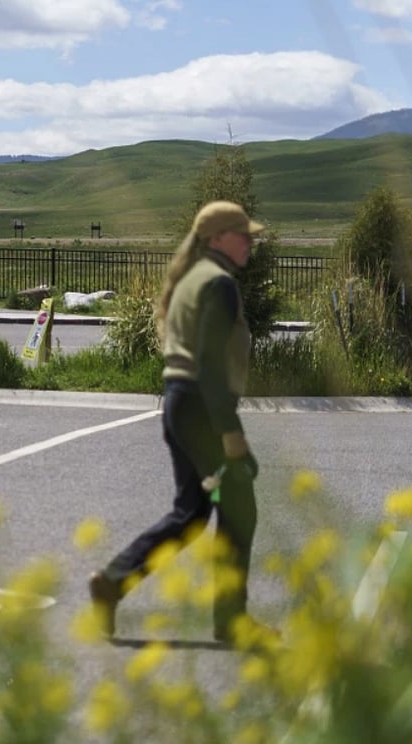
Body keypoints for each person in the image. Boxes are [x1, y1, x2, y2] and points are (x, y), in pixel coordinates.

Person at [88, 200, 276, 645]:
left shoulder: (193, 280)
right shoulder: (218, 284)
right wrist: (230, 433)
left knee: (192, 511)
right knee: (238, 510)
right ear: (216, 239)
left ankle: (113, 582)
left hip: (180, 403)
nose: (249, 241)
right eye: (241, 233)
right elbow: (210, 365)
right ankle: (230, 621)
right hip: (201, 406)